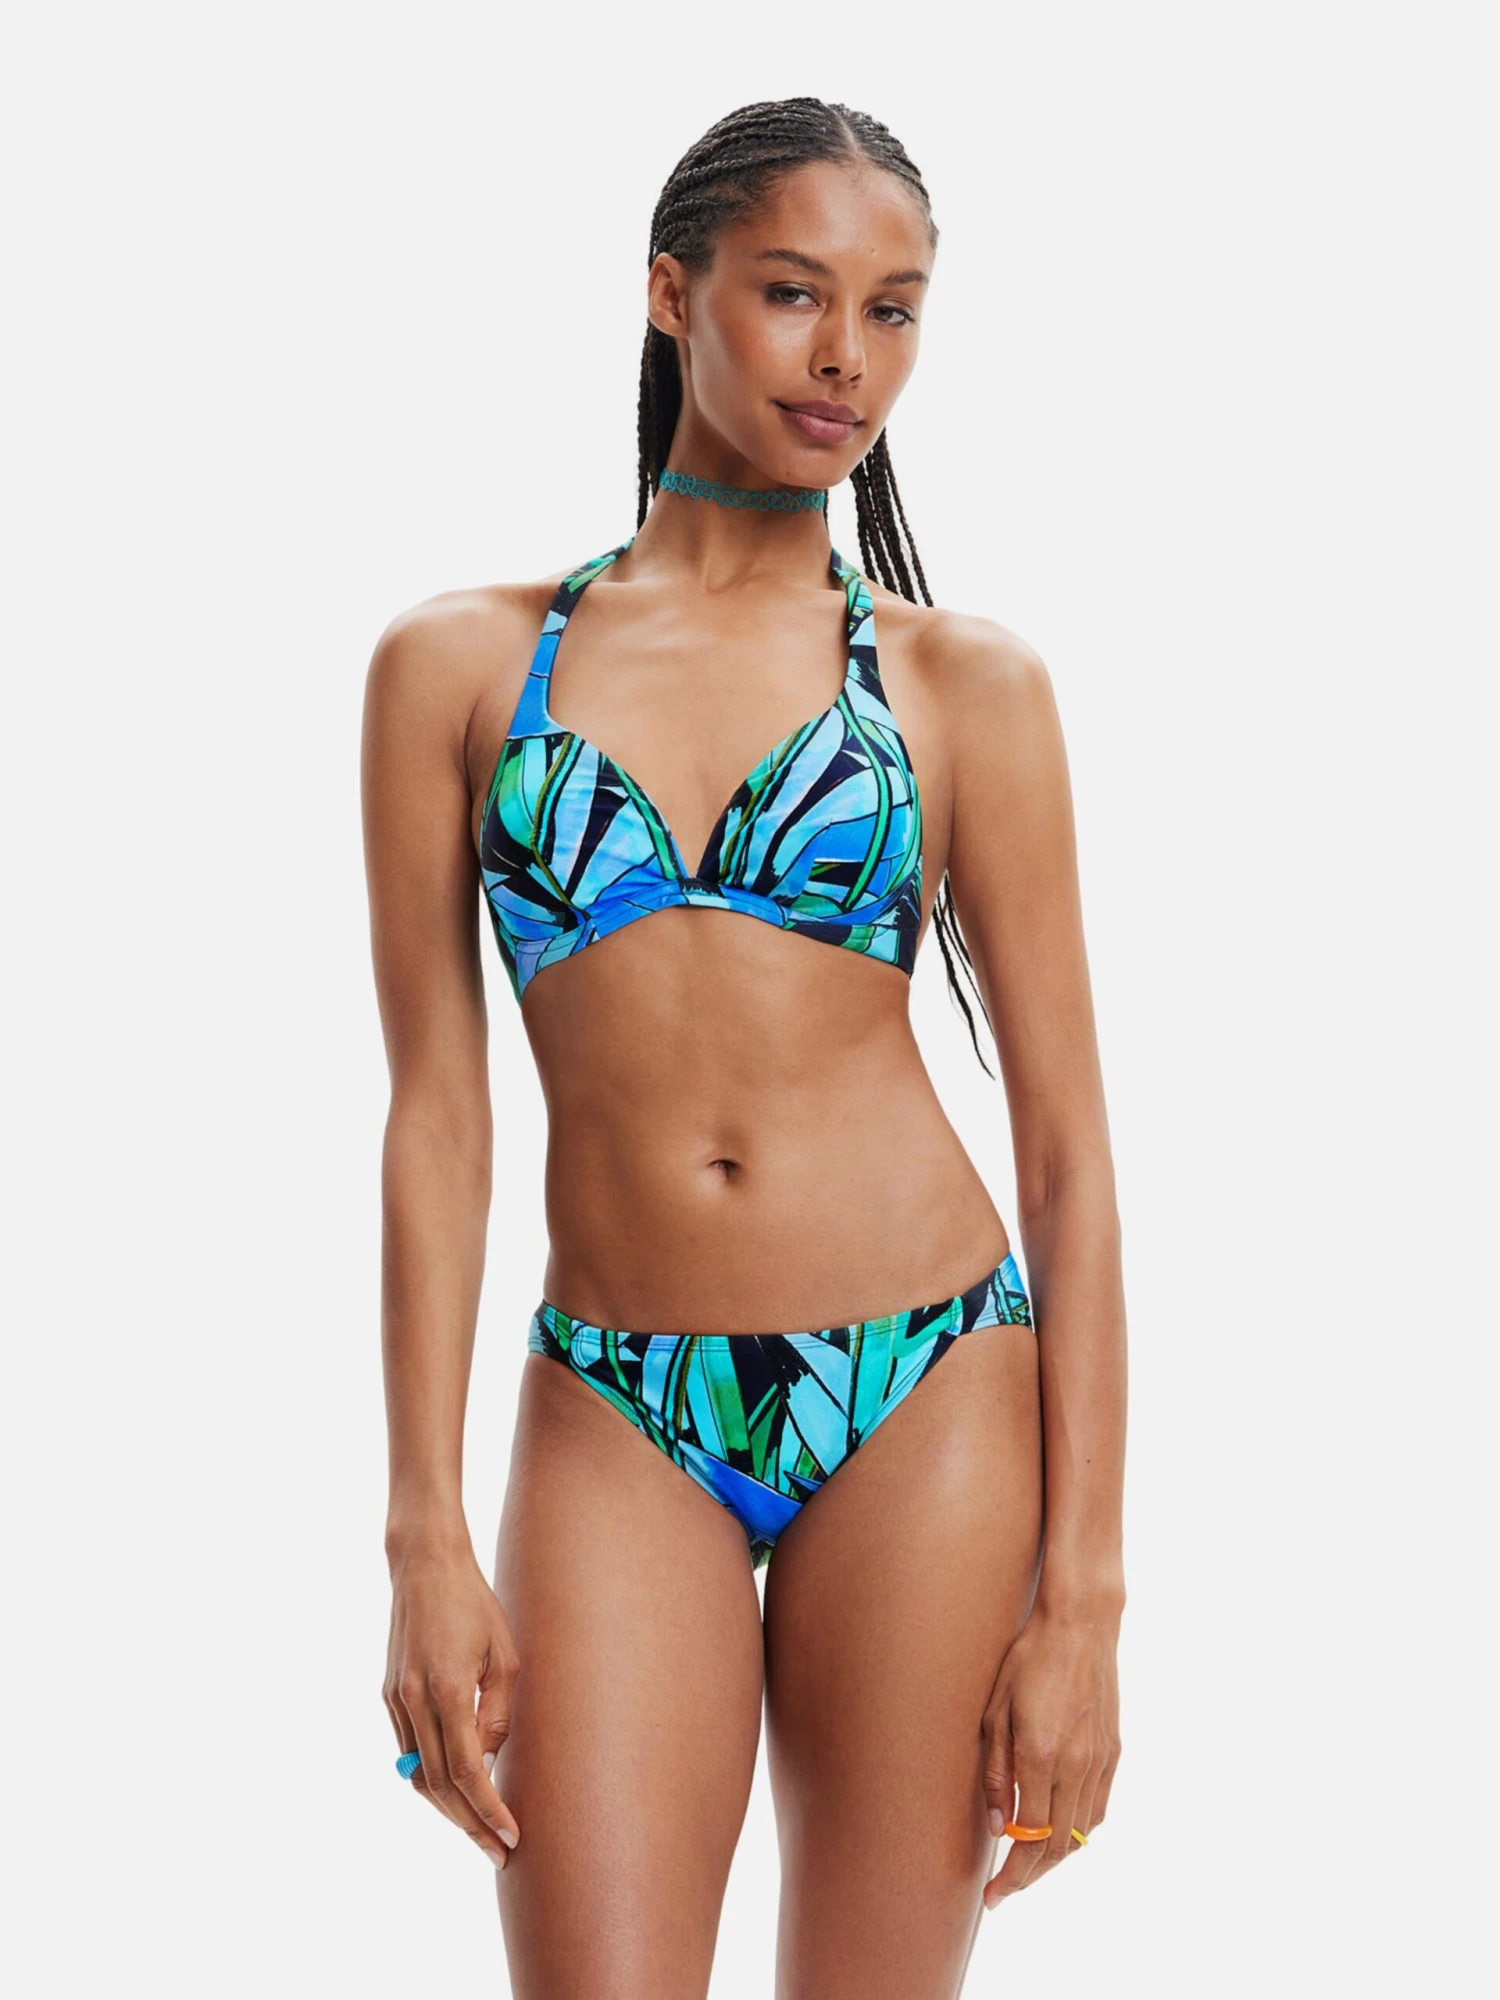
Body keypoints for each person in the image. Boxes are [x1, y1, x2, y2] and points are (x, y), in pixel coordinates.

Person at [361, 96, 1126, 1999]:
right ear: (669, 291)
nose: (846, 355)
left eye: (894, 309)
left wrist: (1086, 1604)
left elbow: (1067, 1159)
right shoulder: (461, 667)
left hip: (926, 1383)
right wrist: (422, 1535)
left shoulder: (963, 687)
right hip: (616, 1403)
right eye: (794, 293)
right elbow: (437, 1122)